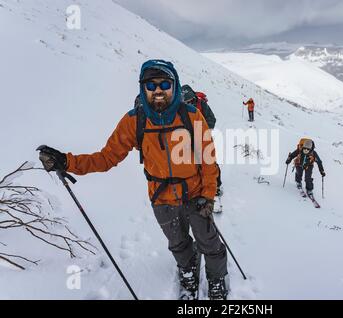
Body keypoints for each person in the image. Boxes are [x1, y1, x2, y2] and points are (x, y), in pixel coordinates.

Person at [37, 59, 228, 300]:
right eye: (150, 85)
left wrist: (208, 195)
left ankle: (217, 279)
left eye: (164, 83)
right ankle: (188, 270)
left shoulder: (192, 116)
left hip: (195, 192)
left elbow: (208, 160)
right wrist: (66, 162)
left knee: (209, 241)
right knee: (178, 243)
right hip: (161, 197)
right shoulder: (134, 121)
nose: (158, 90)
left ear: (174, 85)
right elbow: (106, 158)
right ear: (142, 88)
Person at [181, 85, 223, 197]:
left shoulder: (201, 104)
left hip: (203, 138)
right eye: (186, 101)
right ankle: (197, 186)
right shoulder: (180, 107)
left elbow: (211, 119)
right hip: (188, 140)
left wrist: (202, 130)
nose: (188, 103)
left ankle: (217, 185)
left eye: (190, 100)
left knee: (210, 162)